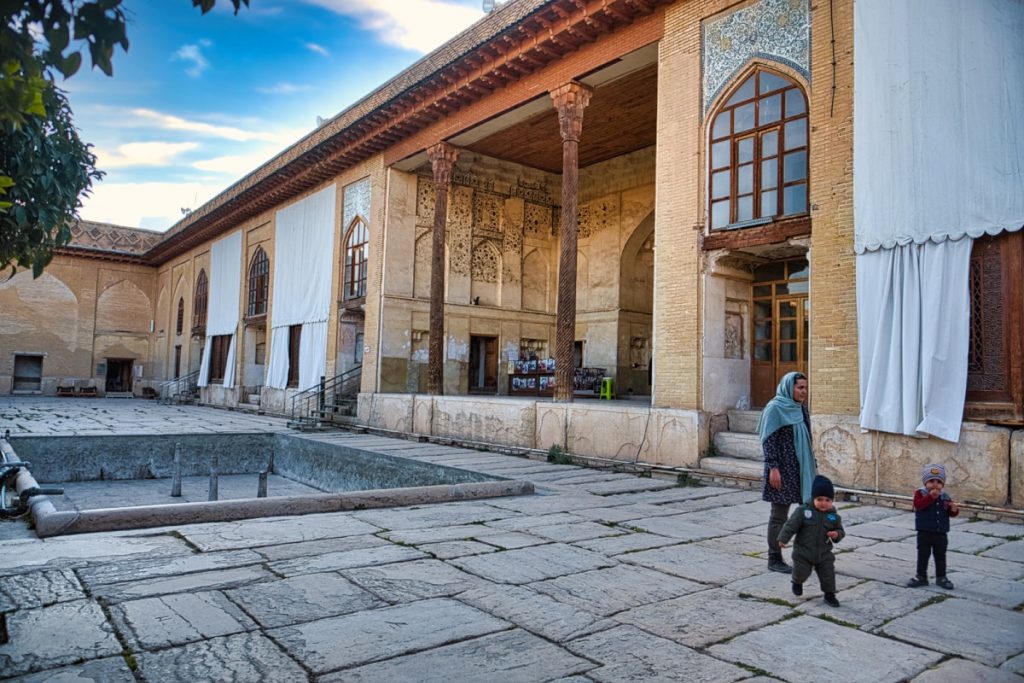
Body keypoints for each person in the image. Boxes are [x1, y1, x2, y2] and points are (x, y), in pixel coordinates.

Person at [758, 371, 816, 573]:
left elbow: (807, 438)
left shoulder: (801, 409)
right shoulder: (775, 408)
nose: (804, 392)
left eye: (805, 388)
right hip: (782, 470)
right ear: (788, 387)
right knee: (779, 515)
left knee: (806, 513)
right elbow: (768, 440)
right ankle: (774, 558)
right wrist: (773, 467)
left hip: (801, 468)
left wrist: (811, 464)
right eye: (800, 387)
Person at [778, 475, 845, 607]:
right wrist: (783, 539)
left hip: (824, 553)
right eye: (819, 499)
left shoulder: (833, 516)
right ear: (813, 498)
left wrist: (836, 534)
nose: (823, 503)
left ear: (832, 501)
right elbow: (790, 525)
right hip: (803, 552)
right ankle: (797, 582)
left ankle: (830, 595)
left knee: (828, 575)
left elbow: (841, 531)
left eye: (827, 500)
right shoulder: (803, 511)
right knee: (801, 572)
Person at [908, 463, 959, 590]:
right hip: (924, 532)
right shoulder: (920, 493)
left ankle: (941, 577)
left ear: (943, 484)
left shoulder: (945, 496)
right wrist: (931, 497)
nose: (935, 484)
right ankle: (921, 576)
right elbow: (919, 506)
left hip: (940, 532)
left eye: (939, 482)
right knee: (923, 555)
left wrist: (954, 510)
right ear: (925, 482)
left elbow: (949, 513)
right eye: (931, 481)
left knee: (940, 556)